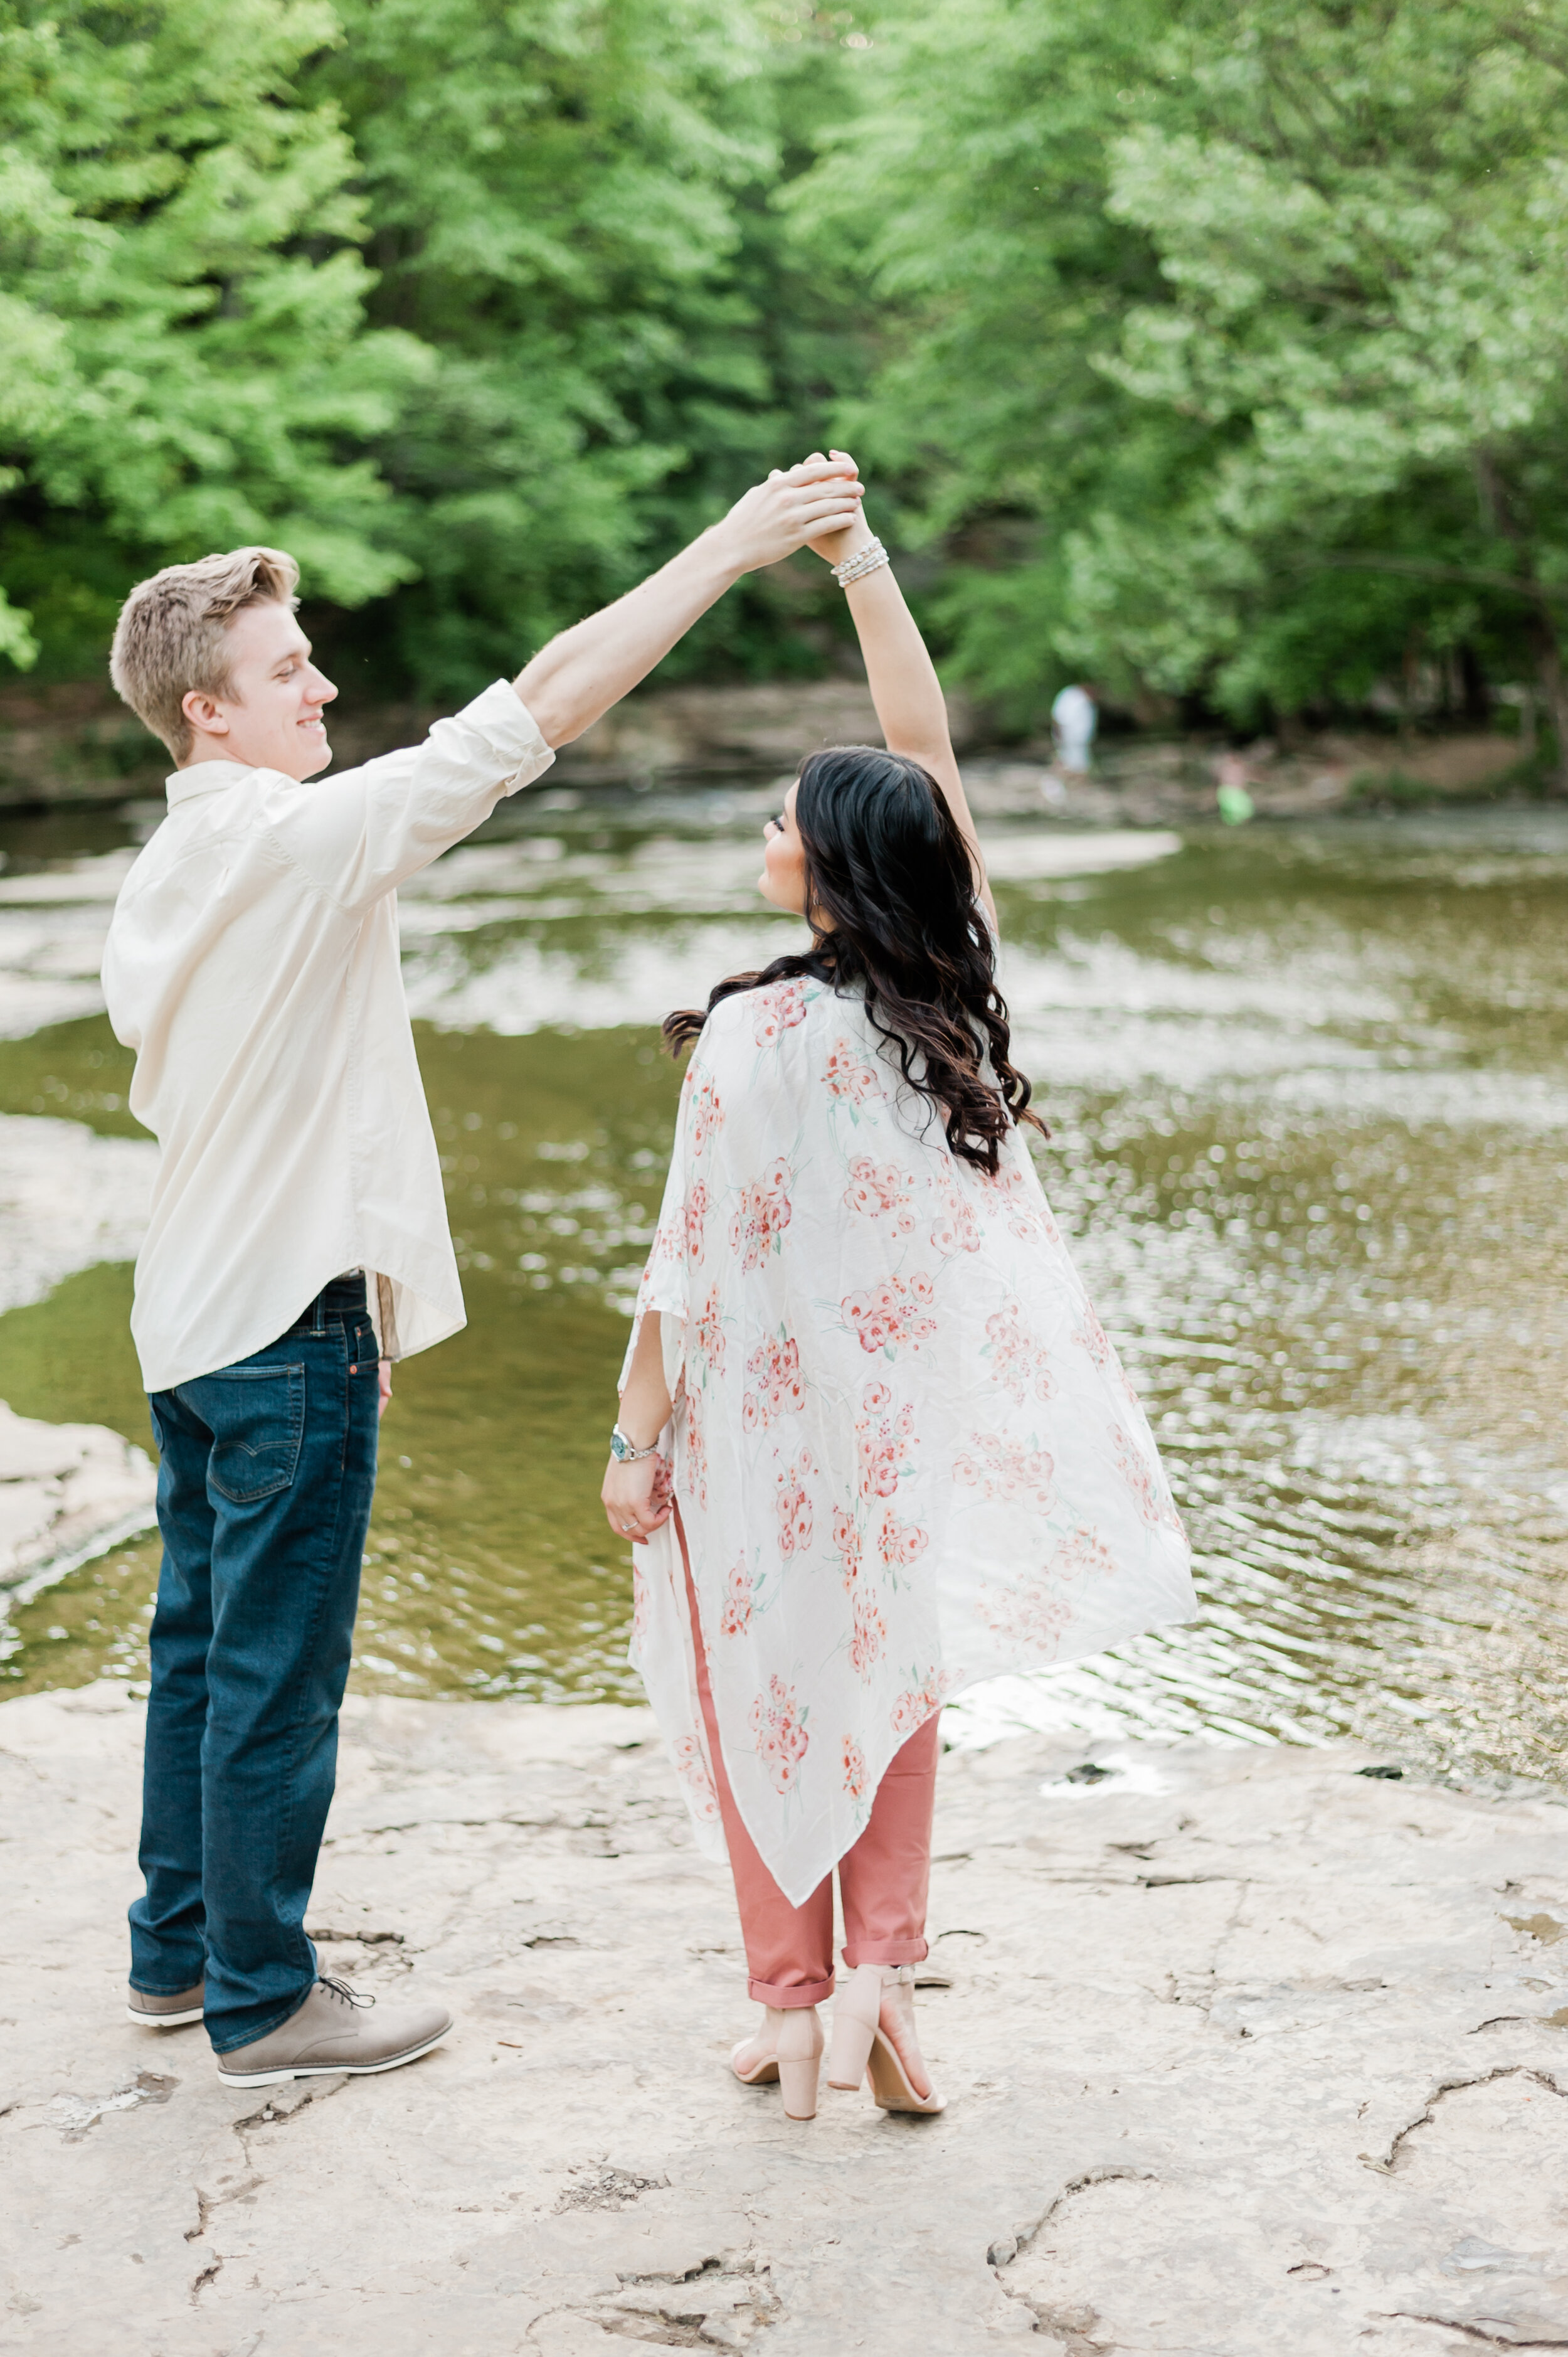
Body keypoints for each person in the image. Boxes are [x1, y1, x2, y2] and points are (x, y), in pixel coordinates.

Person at [101, 457, 866, 2090]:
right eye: (288, 669)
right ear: (208, 712)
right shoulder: (295, 846)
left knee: (198, 1640)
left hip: (188, 1311)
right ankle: (263, 1997)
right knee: (274, 1673)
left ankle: (179, 1953)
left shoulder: (173, 859)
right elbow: (530, 719)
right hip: (279, 1314)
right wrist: (727, 551)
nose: (322, 684)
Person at [601, 458, 1196, 2122]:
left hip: (751, 1436)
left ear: (830, 866)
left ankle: (794, 2005)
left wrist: (629, 1440)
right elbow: (922, 759)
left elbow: (682, 1271)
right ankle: (878, 1984)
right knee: (888, 1674)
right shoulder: (950, 983)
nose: (764, 829)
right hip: (894, 1423)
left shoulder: (747, 1031)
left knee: (760, 1686)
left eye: (783, 816)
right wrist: (861, 564)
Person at [1051, 680, 1097, 775]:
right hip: (1068, 738)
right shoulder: (1070, 696)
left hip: (1080, 741)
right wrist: (1060, 737)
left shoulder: (1086, 701)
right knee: (1066, 764)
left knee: (1080, 767)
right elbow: (1058, 717)